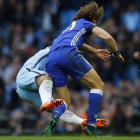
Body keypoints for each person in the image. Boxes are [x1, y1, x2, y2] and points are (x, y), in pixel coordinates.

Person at [44, 2, 125, 136]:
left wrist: (94, 51)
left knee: (64, 101)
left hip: (52, 57)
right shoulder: (88, 24)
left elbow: (72, 42)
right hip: (68, 54)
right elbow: (107, 37)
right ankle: (91, 125)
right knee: (98, 85)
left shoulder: (71, 27)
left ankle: (55, 117)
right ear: (93, 20)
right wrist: (117, 53)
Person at [16, 43, 109, 133]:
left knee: (58, 109)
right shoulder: (51, 51)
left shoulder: (56, 55)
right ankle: (46, 102)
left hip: (24, 91)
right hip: (24, 75)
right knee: (47, 78)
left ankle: (81, 121)